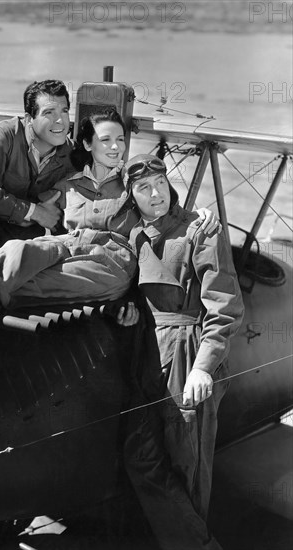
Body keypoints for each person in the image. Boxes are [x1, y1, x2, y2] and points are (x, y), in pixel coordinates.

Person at [120, 154, 245, 550]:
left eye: (160, 181)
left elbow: (225, 307)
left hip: (190, 352)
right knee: (140, 455)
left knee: (188, 465)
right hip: (151, 355)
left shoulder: (200, 229)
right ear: (131, 196)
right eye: (143, 187)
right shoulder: (136, 237)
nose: (155, 193)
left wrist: (204, 368)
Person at [0, 107, 140, 314]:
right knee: (21, 248)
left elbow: (154, 234)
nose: (116, 147)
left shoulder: (134, 185)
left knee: (52, 279)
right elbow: (33, 213)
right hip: (68, 246)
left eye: (121, 139)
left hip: (111, 262)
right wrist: (34, 211)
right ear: (88, 144)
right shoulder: (68, 185)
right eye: (106, 139)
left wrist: (135, 299)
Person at [0, 79, 75, 257]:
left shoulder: (70, 154)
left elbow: (63, 207)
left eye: (65, 111)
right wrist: (35, 212)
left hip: (21, 245)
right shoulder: (3, 137)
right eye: (49, 113)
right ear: (29, 119)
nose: (60, 121)